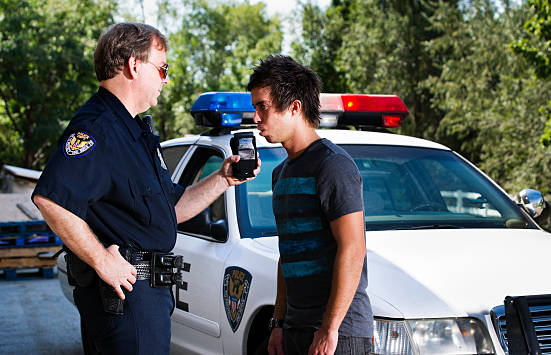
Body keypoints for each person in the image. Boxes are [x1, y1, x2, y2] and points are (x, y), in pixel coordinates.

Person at [32, 22, 259, 355]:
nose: (166, 80)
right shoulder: (98, 128)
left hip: (147, 297)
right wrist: (101, 259)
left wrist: (224, 178)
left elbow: (173, 209)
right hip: (124, 299)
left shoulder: (134, 135)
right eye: (163, 68)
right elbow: (51, 199)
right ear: (134, 65)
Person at [247, 55, 373, 355]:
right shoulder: (281, 173)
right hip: (295, 329)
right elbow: (287, 255)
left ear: (294, 107)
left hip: (339, 333)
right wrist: (278, 323)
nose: (255, 117)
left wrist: (330, 329)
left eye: (262, 106)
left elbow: (353, 249)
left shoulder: (333, 166)